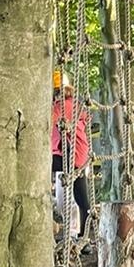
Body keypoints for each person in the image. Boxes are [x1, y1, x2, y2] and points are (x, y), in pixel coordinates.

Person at [51, 70, 92, 241]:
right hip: (74, 155)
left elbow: (46, 121)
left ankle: (81, 235)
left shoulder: (62, 106)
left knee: (79, 198)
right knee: (79, 198)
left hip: (72, 155)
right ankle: (82, 235)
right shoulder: (73, 105)